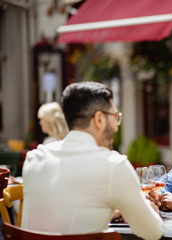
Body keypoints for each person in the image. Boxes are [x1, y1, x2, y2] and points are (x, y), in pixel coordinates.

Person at [22, 82, 163, 240]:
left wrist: (109, 211)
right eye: (115, 117)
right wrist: (150, 209)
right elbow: (153, 233)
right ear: (99, 119)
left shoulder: (34, 159)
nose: (116, 127)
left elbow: (62, 215)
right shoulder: (114, 165)